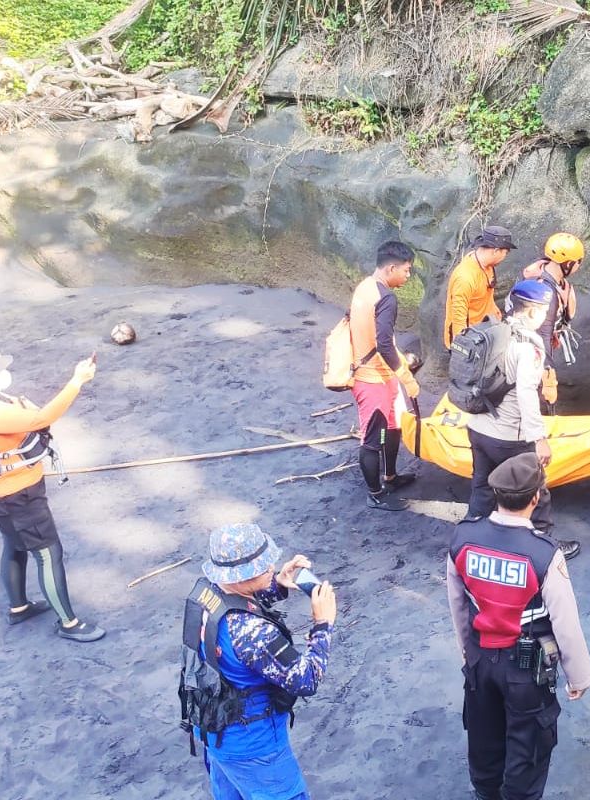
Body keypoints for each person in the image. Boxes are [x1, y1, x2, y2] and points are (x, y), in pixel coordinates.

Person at [446, 453, 590, 800]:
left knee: (484, 736)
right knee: (527, 746)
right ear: (535, 498)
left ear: (495, 495)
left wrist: (468, 653)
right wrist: (580, 676)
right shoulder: (543, 553)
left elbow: (458, 604)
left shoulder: (462, 539)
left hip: (481, 659)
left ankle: (485, 791)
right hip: (526, 669)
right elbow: (565, 621)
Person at [0, 342, 105, 642]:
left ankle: (19, 607)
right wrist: (77, 381)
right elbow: (42, 419)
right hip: (20, 497)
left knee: (15, 545)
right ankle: (69, 624)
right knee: (49, 553)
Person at [180, 523, 336, 800]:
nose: (271, 567)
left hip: (214, 729)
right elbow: (306, 678)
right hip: (255, 746)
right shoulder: (254, 634)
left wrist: (275, 585)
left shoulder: (206, 592)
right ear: (239, 576)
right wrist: (322, 624)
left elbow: (234, 602)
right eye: (262, 568)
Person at [465, 279, 579, 559]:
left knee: (482, 486)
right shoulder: (528, 347)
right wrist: (539, 439)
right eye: (542, 311)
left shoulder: (490, 332)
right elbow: (527, 393)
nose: (543, 316)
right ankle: (542, 545)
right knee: (535, 489)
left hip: (477, 427)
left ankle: (470, 541)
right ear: (531, 312)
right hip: (508, 436)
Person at [349, 241, 421, 511]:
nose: (408, 275)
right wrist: (407, 376)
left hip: (376, 373)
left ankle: (390, 476)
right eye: (406, 270)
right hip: (372, 379)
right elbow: (384, 343)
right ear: (391, 267)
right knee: (372, 438)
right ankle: (375, 493)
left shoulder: (365, 287)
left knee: (392, 427)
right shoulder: (386, 298)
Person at [520, 232, 585, 412]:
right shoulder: (545, 293)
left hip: (530, 341)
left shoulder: (540, 271)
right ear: (568, 263)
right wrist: (548, 377)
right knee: (531, 390)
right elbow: (541, 335)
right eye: (578, 262)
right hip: (529, 348)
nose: (579, 266)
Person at [444, 225, 516, 350]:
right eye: (505, 253)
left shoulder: (486, 265)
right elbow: (458, 318)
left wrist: (495, 313)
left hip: (484, 330)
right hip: (468, 337)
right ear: (495, 251)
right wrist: (461, 349)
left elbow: (487, 292)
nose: (505, 257)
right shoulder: (465, 278)